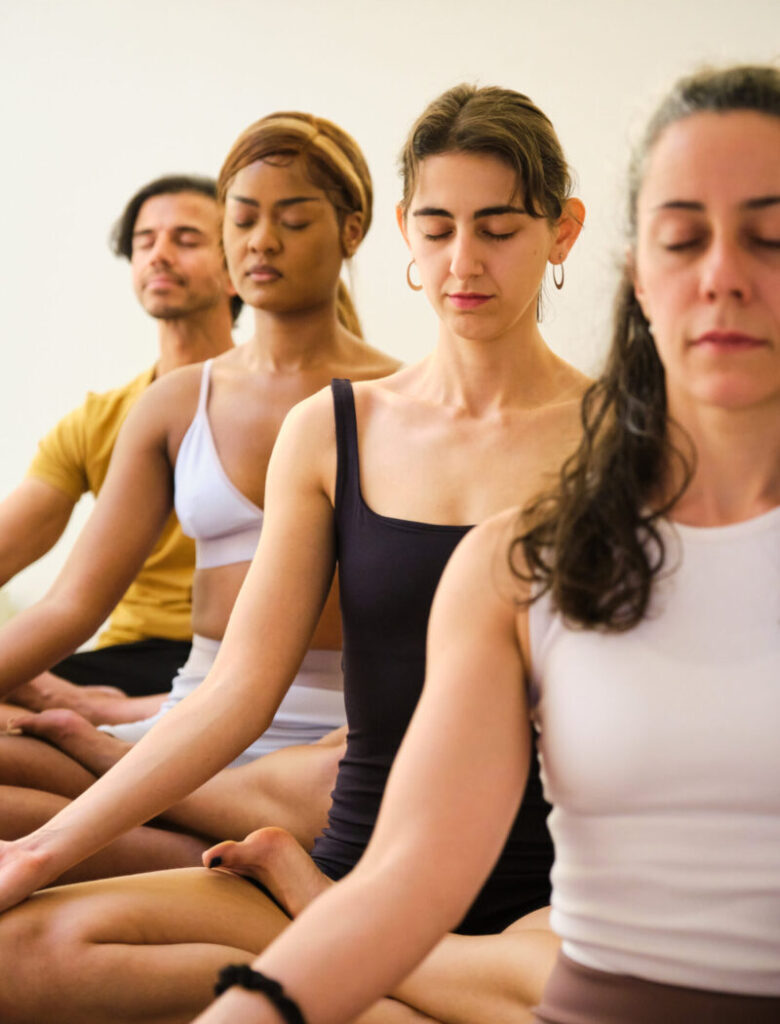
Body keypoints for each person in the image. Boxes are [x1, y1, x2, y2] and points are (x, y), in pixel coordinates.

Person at [187, 65, 780, 1024]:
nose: (723, 275)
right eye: (683, 237)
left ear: (559, 235)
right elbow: (412, 874)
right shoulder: (519, 559)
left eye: (771, 234)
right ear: (641, 270)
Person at [0, 83, 589, 1023]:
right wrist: (43, 852)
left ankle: (359, 969)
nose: (462, 261)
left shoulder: (624, 441)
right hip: (358, 861)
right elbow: (239, 689)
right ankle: (353, 956)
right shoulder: (334, 430)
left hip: (536, 894)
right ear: (402, 230)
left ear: (562, 232)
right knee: (18, 953)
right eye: (436, 228)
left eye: (500, 228)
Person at [0, 109, 399, 870]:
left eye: (293, 218)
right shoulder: (175, 402)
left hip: (325, 737)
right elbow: (70, 604)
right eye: (243, 219)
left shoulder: (401, 397)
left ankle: (165, 824)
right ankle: (183, 833)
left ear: (352, 231)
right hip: (192, 715)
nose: (262, 242)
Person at [0, 175, 237, 706]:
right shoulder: (97, 420)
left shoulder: (281, 411)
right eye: (145, 241)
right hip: (120, 657)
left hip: (229, 662)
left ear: (237, 269)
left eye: (187, 239)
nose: (159, 255)